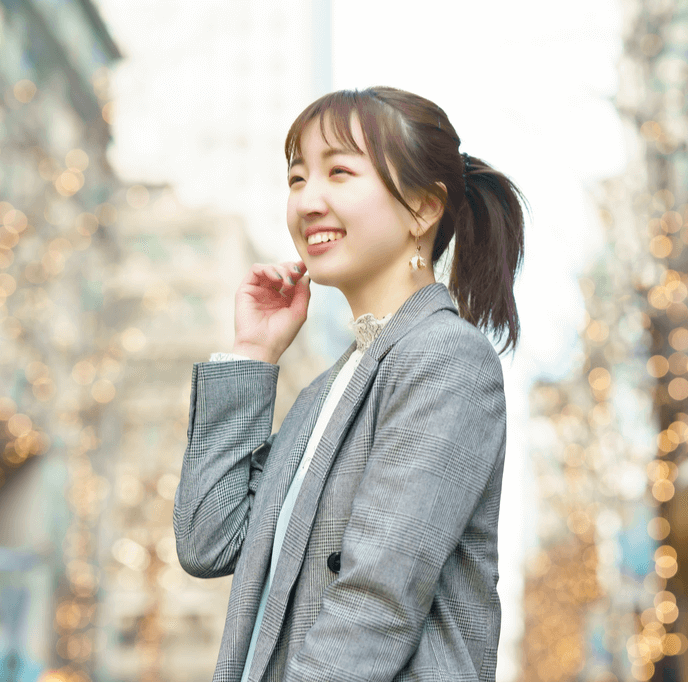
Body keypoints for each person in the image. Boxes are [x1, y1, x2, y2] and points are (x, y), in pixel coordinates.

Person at [173, 86, 525, 681]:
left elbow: (376, 601)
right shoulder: (329, 388)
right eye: (296, 179)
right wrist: (253, 354)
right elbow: (209, 540)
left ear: (422, 208)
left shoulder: (446, 357)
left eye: (339, 172)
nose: (309, 201)